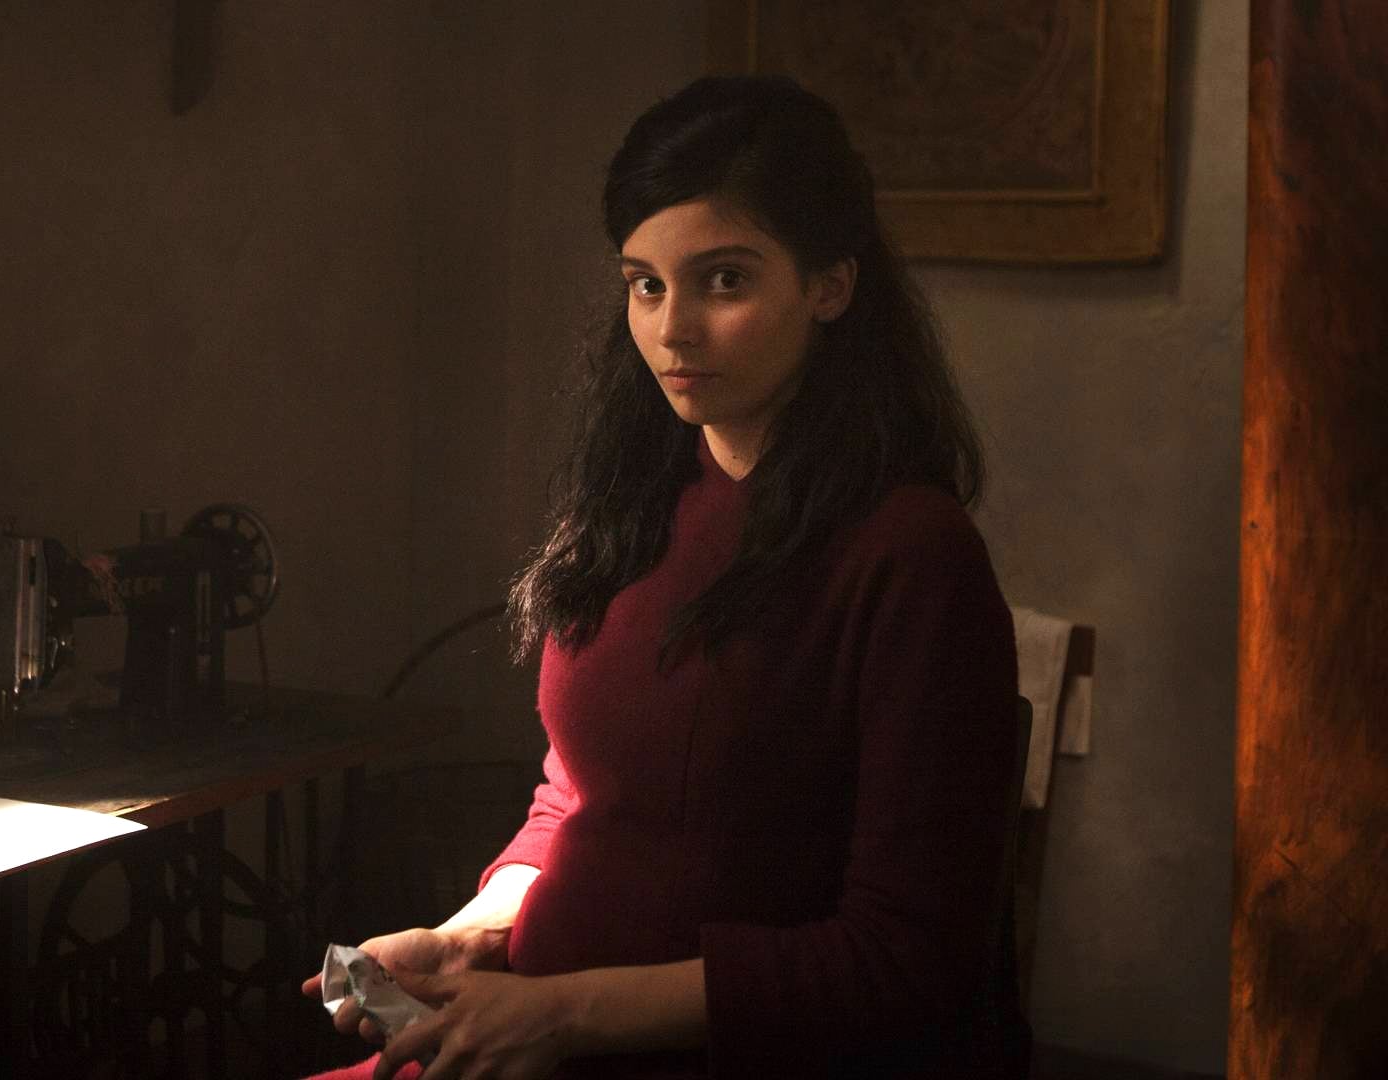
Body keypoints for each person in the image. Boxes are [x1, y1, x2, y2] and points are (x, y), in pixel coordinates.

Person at [301, 74, 1027, 1080]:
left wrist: (564, 1014)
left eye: (723, 281)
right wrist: (478, 930)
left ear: (830, 286)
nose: (673, 329)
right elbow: (584, 790)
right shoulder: (638, 501)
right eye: (646, 284)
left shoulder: (910, 553)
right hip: (527, 1030)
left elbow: (907, 961)